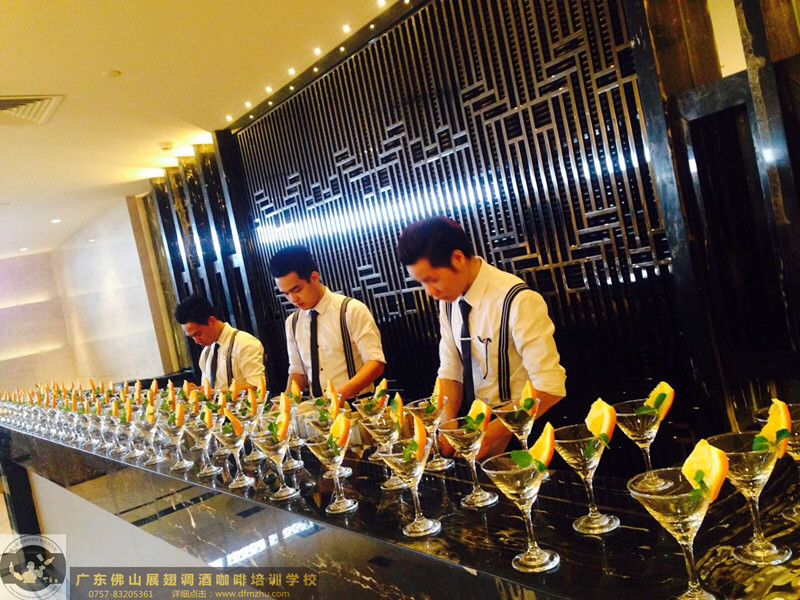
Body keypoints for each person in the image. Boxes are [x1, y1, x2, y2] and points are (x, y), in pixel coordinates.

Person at [397, 216, 566, 458]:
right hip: (475, 430)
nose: (430, 292)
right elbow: (450, 372)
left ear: (457, 258)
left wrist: (490, 435)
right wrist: (447, 426)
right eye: (422, 283)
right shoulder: (449, 302)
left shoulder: (517, 300)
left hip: (523, 436)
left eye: (433, 280)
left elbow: (550, 387)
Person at [269, 245, 386, 403]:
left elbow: (376, 363)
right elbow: (298, 372)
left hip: (357, 406)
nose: (293, 299)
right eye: (286, 293)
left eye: (297, 289)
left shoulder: (351, 310)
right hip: (318, 411)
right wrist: (285, 403)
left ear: (314, 278)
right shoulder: (292, 322)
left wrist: (339, 396)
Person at [174, 294, 265, 392]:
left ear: (211, 321)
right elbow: (209, 390)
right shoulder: (206, 352)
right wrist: (198, 390)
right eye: (192, 337)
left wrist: (217, 392)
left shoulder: (244, 343)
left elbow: (257, 386)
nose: (197, 341)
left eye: (198, 334)